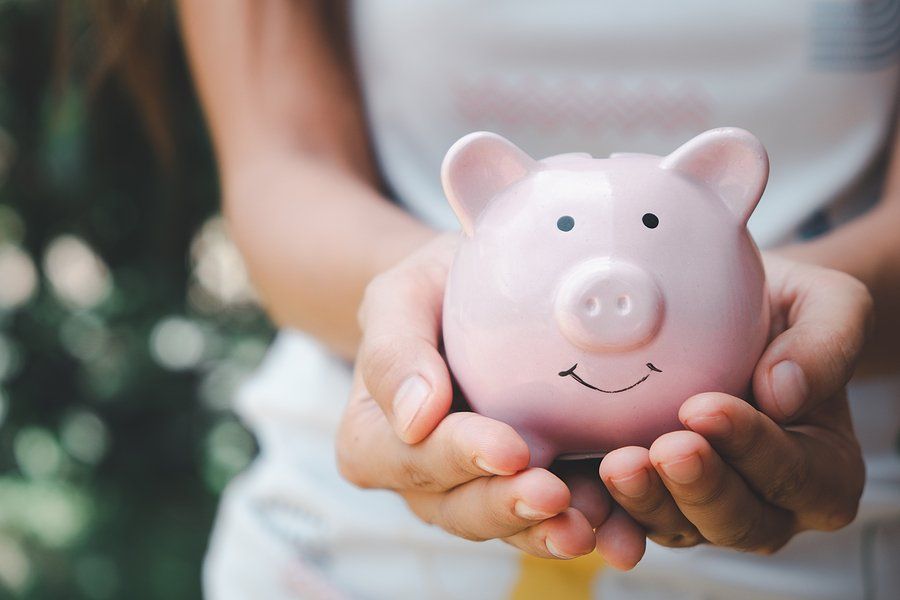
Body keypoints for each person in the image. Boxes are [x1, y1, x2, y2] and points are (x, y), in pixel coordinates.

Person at [178, 1, 900, 598]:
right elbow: (282, 165)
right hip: (342, 541)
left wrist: (798, 326)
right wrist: (433, 294)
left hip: (840, 531)